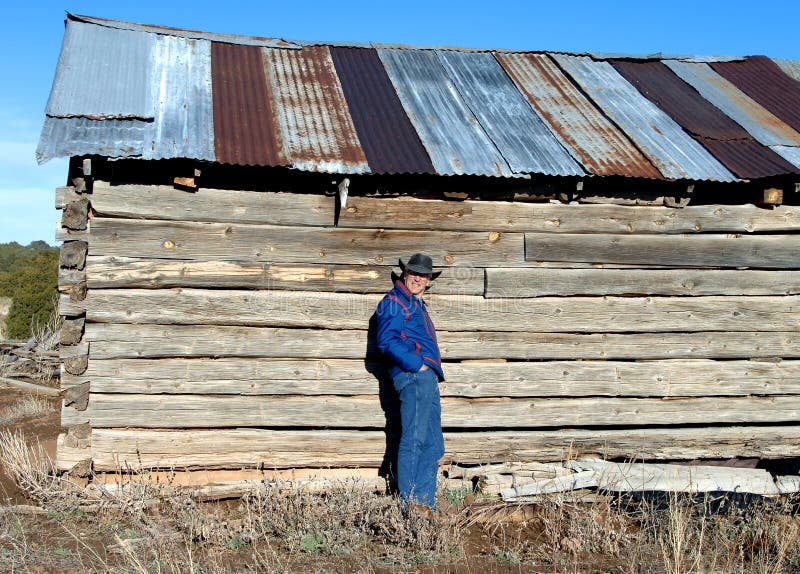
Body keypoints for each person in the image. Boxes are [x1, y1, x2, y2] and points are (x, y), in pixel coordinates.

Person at [376, 253, 445, 515]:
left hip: (426, 377)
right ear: (404, 274)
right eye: (414, 273)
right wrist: (418, 364)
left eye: (423, 275)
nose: (418, 278)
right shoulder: (394, 301)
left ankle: (425, 506)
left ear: (429, 280)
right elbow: (387, 341)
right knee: (415, 439)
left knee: (433, 443)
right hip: (414, 375)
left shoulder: (416, 305)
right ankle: (410, 507)